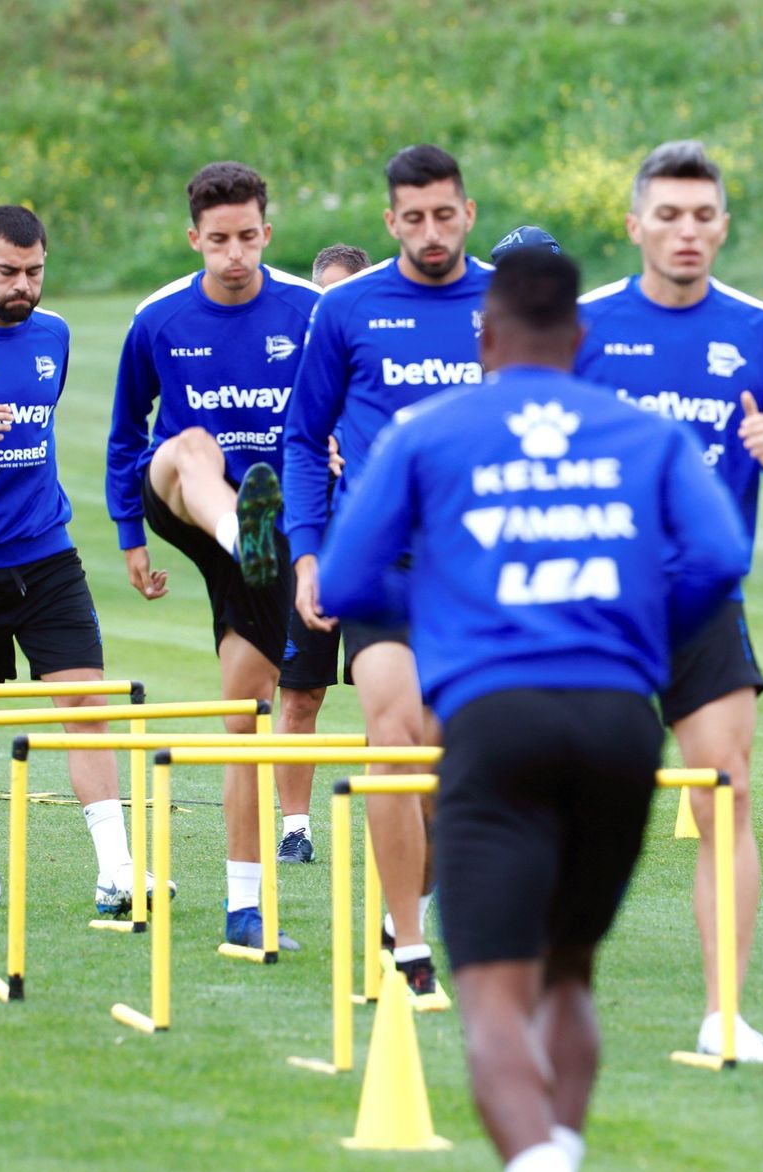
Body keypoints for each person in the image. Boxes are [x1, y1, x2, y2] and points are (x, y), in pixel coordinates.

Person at [318, 247, 750, 1172]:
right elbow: (722, 557)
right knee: (569, 972)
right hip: (619, 722)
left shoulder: (429, 433)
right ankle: (564, 1163)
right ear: (581, 340)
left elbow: (346, 582)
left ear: (484, 337)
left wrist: (457, 599)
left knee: (490, 990)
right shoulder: (643, 433)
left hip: (493, 717)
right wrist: (640, 632)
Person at [577, 140, 763, 1063]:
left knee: (729, 790)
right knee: (575, 795)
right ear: (636, 224)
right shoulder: (585, 324)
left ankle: (725, 1012)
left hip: (703, 603)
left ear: (723, 225)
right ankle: (558, 984)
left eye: (703, 215)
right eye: (668, 216)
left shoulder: (757, 330)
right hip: (594, 603)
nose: (687, 232)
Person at [285, 144, 492, 1000]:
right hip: (375, 565)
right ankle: (410, 946)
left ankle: (412, 897)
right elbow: (303, 438)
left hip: (476, 576)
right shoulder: (347, 308)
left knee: (452, 763)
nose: (431, 232)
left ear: (467, 212)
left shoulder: (509, 304)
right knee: (393, 734)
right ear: (390, 222)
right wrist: (306, 553)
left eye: (445, 215)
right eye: (414, 219)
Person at [107, 162, 318, 949]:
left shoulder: (309, 310)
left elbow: (337, 409)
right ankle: (241, 532)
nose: (235, 253)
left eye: (249, 237)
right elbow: (129, 431)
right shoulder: (158, 317)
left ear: (268, 231)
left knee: (244, 718)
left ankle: (243, 909)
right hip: (184, 499)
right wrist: (130, 534)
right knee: (191, 443)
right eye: (219, 240)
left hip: (276, 525)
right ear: (195, 237)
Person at [0, 206, 148, 918]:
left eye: (35, 271)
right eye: (8, 271)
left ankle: (117, 870)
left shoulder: (55, 333)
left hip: (47, 557)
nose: (23, 285)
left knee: (86, 703)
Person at [268, 241, 373, 866]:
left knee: (388, 694)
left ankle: (396, 812)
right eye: (322, 296)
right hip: (304, 549)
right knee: (300, 695)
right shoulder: (290, 364)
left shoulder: (380, 367)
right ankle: (296, 830)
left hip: (370, 553)